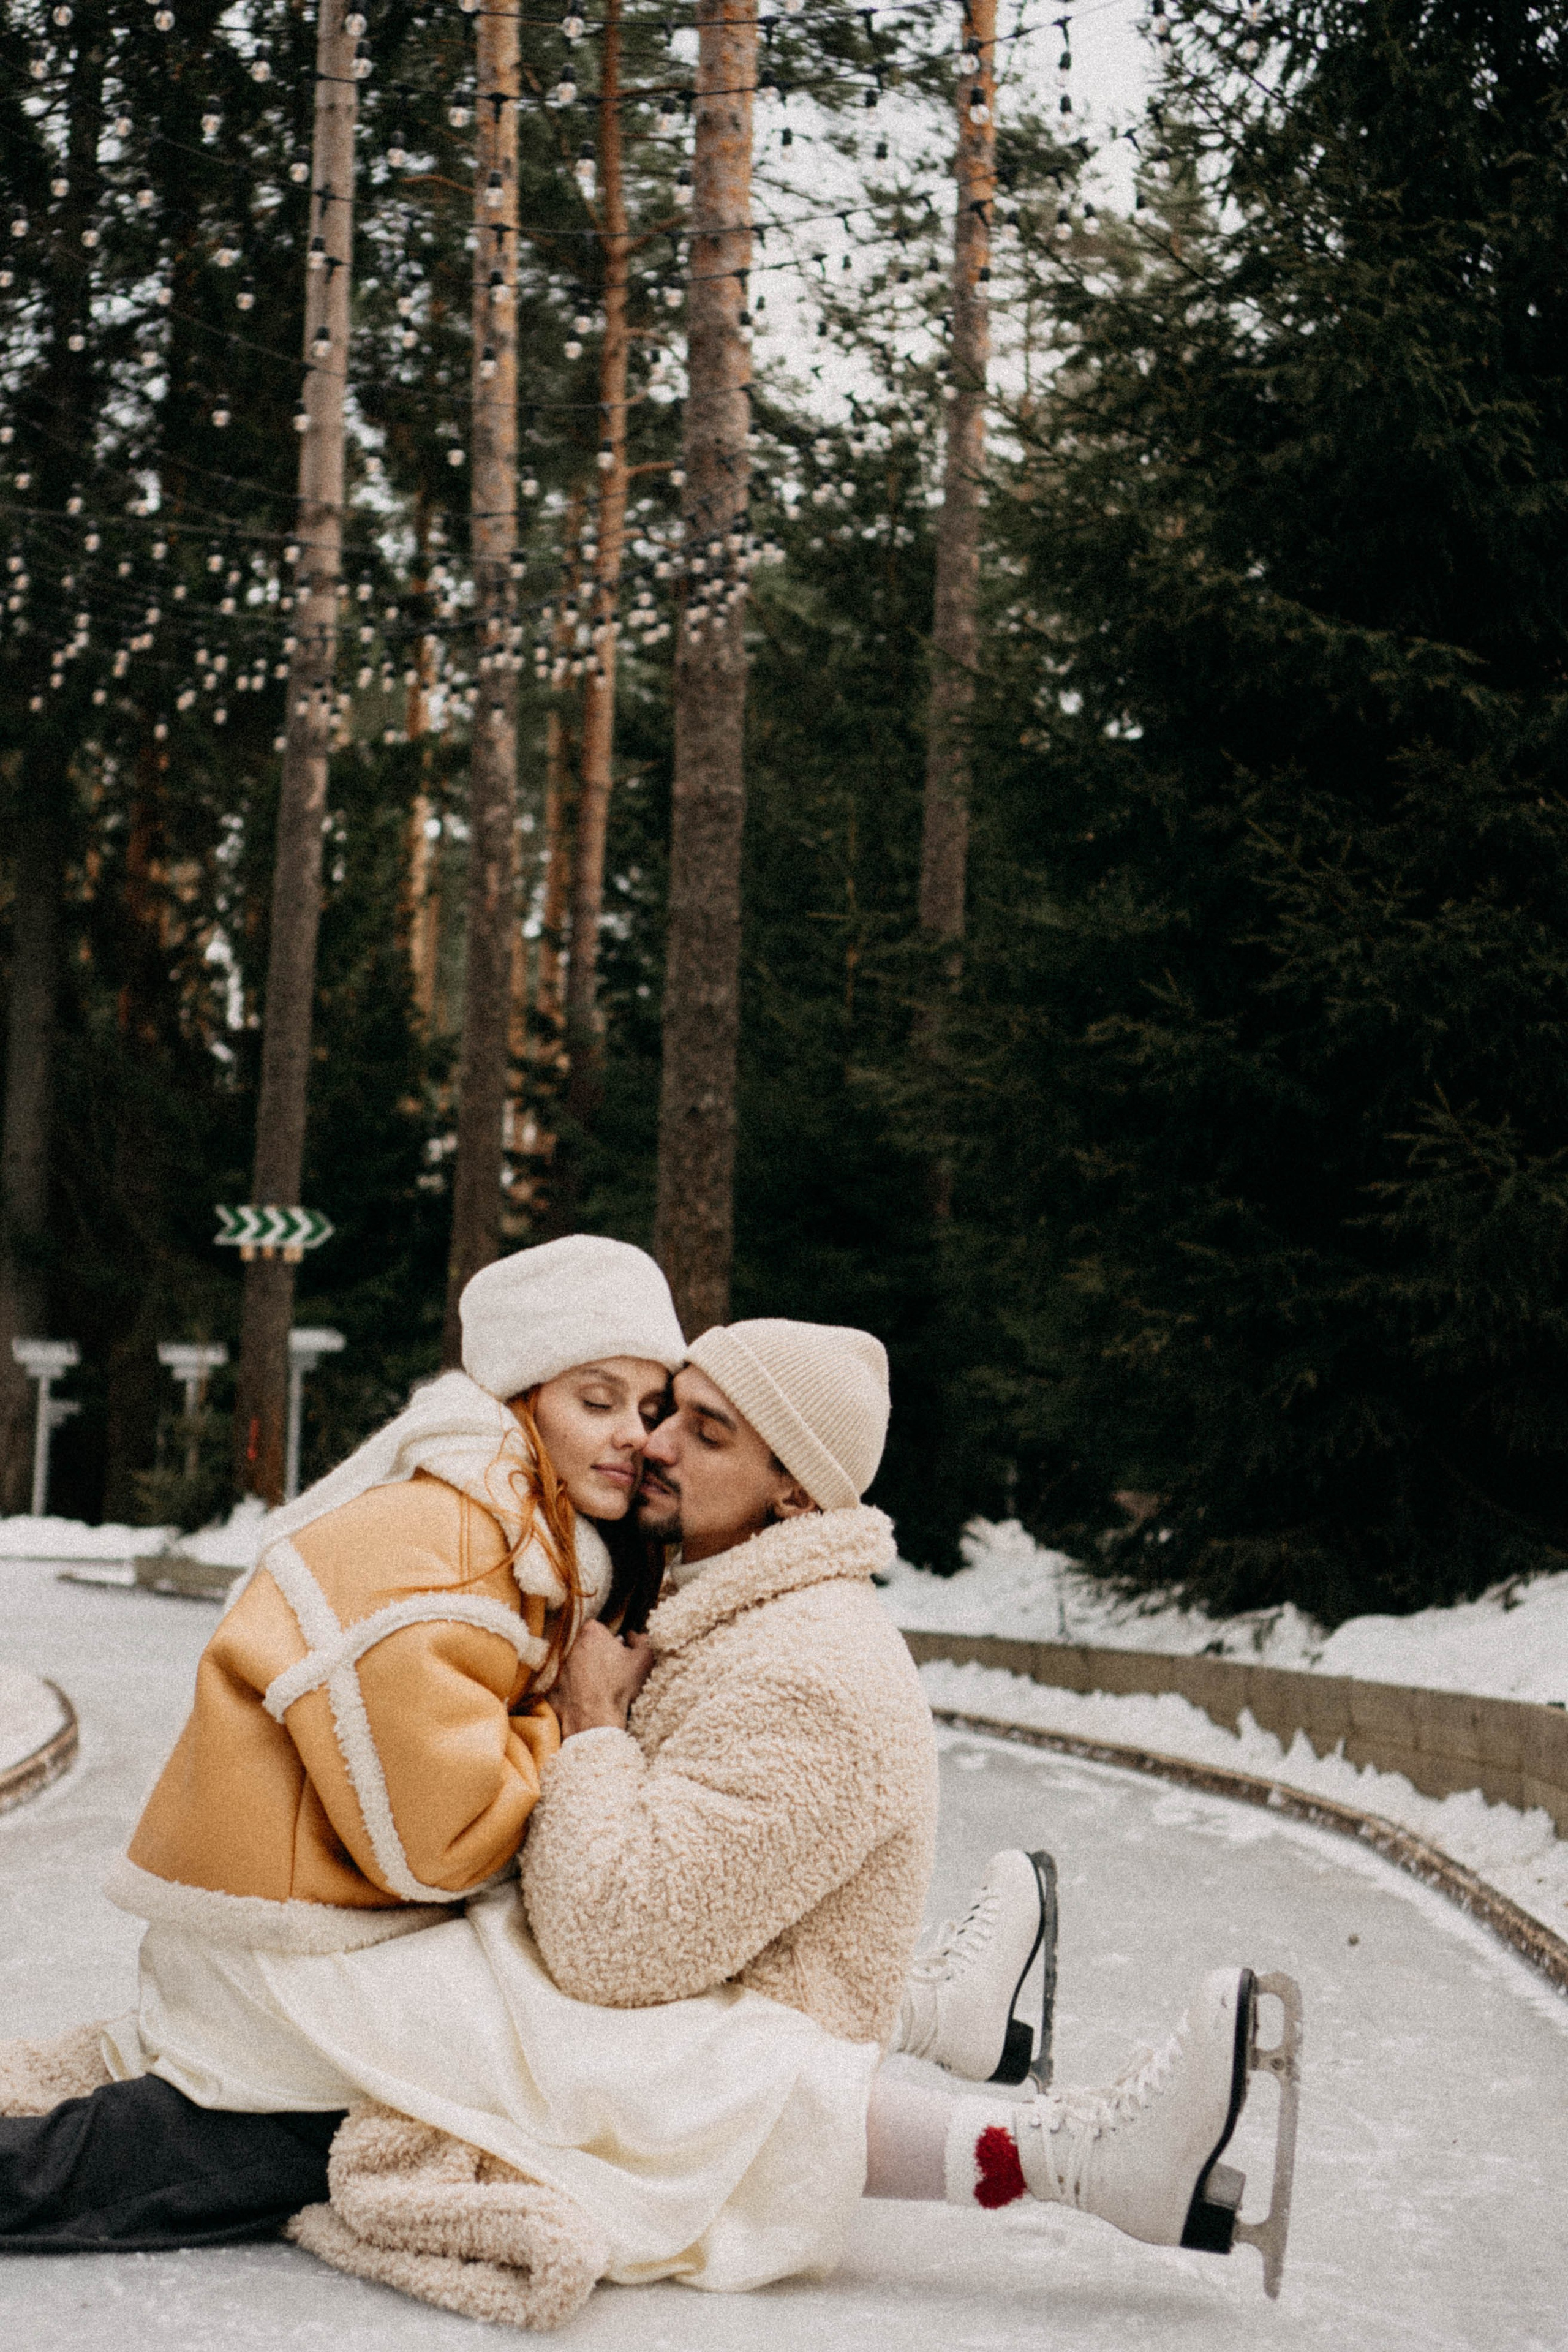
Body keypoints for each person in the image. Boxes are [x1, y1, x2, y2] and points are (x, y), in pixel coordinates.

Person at [1, 1306, 1297, 2316]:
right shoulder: (714, 1601)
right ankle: (972, 2044)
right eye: (666, 1411)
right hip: (610, 2001)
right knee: (273, 2066)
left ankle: (1076, 2157)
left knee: (284, 2093)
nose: (655, 1443)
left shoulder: (812, 1674)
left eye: (706, 1433)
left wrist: (593, 1728)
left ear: (795, 1491)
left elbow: (616, 1947)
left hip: (682, 2027)